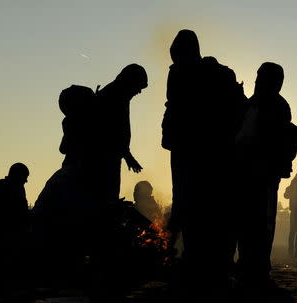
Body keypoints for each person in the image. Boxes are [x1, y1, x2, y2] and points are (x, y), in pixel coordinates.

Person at [161, 29, 246, 293]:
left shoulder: (204, 74)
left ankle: (205, 262)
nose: (175, 61)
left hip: (203, 151)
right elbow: (173, 106)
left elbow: (175, 107)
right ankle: (200, 261)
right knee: (193, 204)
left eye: (177, 55)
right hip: (197, 151)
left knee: (201, 204)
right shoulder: (201, 73)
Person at [234, 62, 297, 286]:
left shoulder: (278, 107)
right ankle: (247, 263)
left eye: (262, 77)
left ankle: (258, 266)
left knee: (261, 221)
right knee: (246, 220)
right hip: (245, 169)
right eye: (257, 76)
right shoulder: (251, 103)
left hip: (263, 171)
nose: (257, 80)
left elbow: (268, 139)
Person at [84, 63, 147, 201]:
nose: (139, 92)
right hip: (103, 157)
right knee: (105, 198)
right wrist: (127, 155)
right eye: (139, 86)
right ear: (131, 81)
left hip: (110, 156)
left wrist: (126, 155)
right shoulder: (114, 97)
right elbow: (113, 132)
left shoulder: (118, 95)